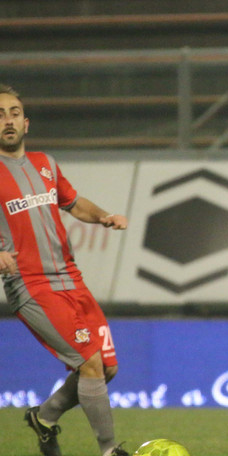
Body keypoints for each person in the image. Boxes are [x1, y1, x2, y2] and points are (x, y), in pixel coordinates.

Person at [0, 85, 130, 456]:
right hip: (31, 284)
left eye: (13, 113)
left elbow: (72, 203)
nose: (6, 120)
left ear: (26, 123)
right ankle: (109, 450)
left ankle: (45, 416)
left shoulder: (45, 163)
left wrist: (103, 216)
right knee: (89, 362)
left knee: (106, 368)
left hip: (71, 278)